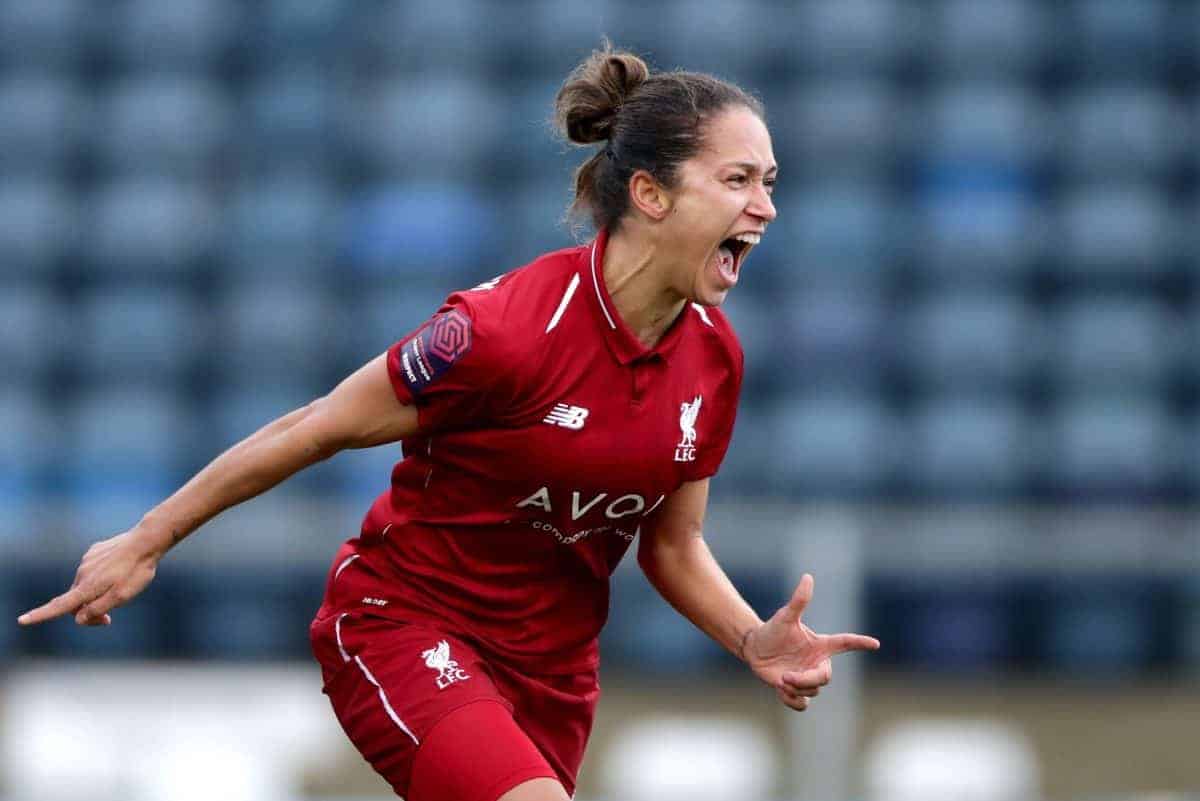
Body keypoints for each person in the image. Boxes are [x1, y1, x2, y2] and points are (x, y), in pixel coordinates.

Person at [18, 44, 880, 801]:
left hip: (551, 676)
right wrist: (147, 537)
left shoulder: (716, 357)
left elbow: (671, 544)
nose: (764, 206)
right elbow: (316, 425)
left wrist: (749, 638)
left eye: (768, 183)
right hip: (406, 624)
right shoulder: (503, 332)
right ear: (650, 193)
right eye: (737, 180)